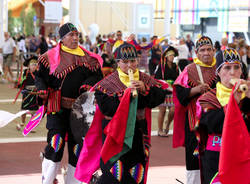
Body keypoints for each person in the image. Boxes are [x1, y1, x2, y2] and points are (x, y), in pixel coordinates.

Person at [75, 42, 168, 184]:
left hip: (138, 133)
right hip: (113, 134)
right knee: (112, 175)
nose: (130, 65)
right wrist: (126, 95)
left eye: (133, 61)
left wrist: (144, 89)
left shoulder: (145, 79)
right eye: (125, 62)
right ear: (118, 63)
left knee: (135, 174)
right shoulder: (106, 84)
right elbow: (108, 108)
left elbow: (158, 97)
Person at [35, 23, 103, 184]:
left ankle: (73, 181)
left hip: (79, 113)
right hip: (57, 108)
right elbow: (39, 77)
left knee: (77, 149)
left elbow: (97, 77)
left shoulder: (89, 59)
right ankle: (48, 179)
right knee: (56, 143)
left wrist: (88, 83)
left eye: (76, 35)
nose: (74, 38)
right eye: (70, 35)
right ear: (62, 38)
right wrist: (42, 89)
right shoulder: (49, 57)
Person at [196, 48, 250, 184]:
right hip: (216, 158)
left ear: (241, 72)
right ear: (218, 72)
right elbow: (213, 125)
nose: (232, 72)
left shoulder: (247, 95)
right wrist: (234, 101)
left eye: (236, 67)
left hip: (244, 156)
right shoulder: (208, 98)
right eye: (227, 68)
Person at [173, 36, 217, 184]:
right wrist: (196, 89)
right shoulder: (189, 70)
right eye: (202, 50)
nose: (206, 53)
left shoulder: (221, 69)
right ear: (196, 53)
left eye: (209, 49)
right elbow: (180, 94)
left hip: (217, 123)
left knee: (215, 161)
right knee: (194, 161)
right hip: (194, 124)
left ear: (214, 51)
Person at [154, 46, 179, 136]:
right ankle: (160, 130)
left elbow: (178, 78)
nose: (172, 57)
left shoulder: (175, 66)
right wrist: (164, 84)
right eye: (170, 55)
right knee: (162, 110)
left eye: (173, 56)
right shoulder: (161, 66)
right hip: (163, 91)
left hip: (172, 91)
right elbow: (157, 78)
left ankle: (167, 124)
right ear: (166, 57)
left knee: (173, 110)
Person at [16, 56, 40, 131]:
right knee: (24, 109)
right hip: (26, 92)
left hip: (35, 93)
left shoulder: (38, 73)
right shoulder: (26, 72)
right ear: (29, 66)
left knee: (34, 110)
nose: (34, 66)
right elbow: (22, 81)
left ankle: (32, 125)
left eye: (35, 64)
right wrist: (20, 86)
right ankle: (22, 122)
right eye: (32, 64)